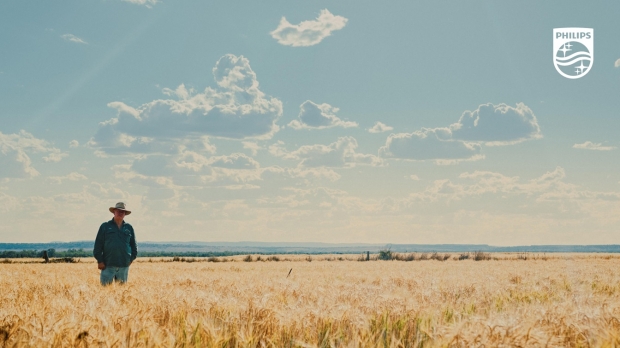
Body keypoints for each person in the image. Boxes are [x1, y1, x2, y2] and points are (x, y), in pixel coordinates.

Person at [93, 202, 138, 285]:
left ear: (125, 214)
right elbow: (98, 245)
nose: (120, 213)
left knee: (122, 294)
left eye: (123, 211)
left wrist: (131, 259)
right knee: (105, 292)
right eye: (118, 211)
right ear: (114, 212)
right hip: (107, 265)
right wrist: (100, 261)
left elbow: (133, 246)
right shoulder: (105, 226)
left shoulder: (129, 228)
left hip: (123, 265)